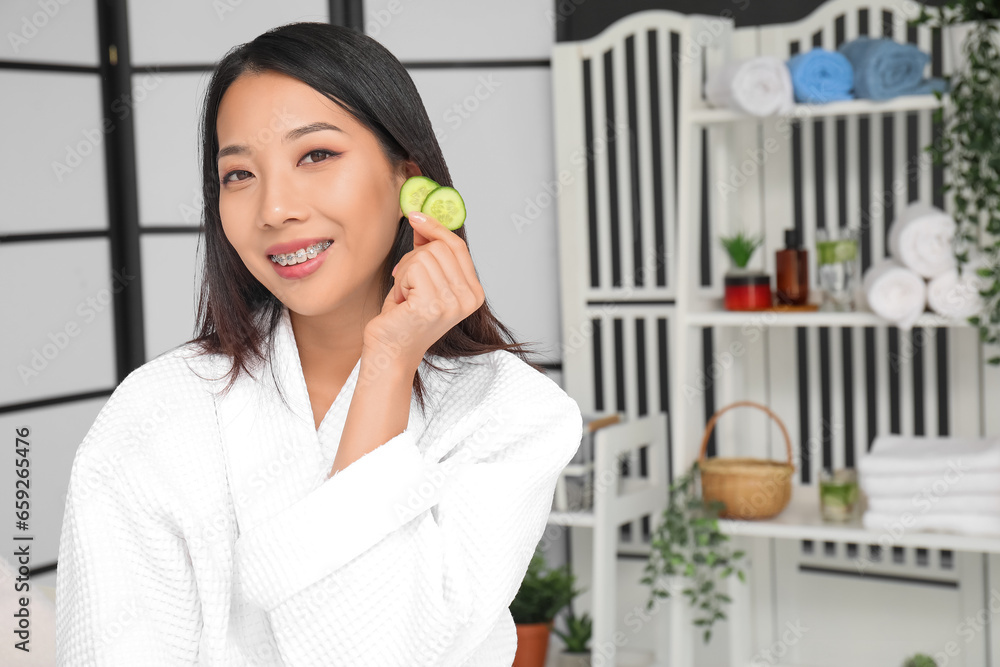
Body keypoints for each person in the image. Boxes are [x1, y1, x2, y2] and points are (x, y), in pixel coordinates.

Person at [55, 21, 583, 667]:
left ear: (407, 181)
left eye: (316, 155)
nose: (274, 208)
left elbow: (378, 650)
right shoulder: (155, 409)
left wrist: (389, 365)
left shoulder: (514, 411)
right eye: (239, 174)